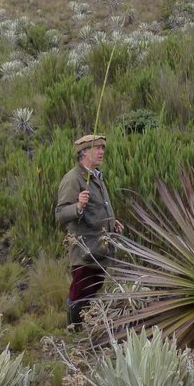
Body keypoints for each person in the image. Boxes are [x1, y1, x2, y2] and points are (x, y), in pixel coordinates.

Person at [55, 133, 123, 327]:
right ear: (84, 152)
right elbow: (60, 214)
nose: (101, 151)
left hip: (100, 248)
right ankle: (74, 331)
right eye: (97, 148)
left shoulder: (96, 176)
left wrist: (112, 222)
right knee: (80, 293)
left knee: (93, 290)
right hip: (85, 251)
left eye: (102, 148)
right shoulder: (73, 179)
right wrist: (77, 206)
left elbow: (97, 208)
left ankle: (84, 327)